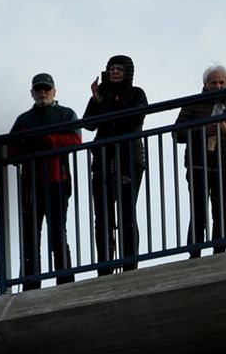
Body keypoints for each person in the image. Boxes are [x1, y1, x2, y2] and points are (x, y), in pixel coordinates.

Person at [8, 72, 82, 289]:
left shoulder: (66, 114)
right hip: (31, 184)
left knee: (57, 233)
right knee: (30, 236)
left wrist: (42, 140)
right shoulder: (24, 119)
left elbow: (75, 140)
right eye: (38, 89)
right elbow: (10, 151)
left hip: (57, 182)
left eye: (46, 89)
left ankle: (65, 283)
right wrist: (38, 142)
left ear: (54, 91)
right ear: (32, 93)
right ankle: (31, 286)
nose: (42, 93)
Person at [83, 55, 148, 275]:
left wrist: (112, 104)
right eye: (112, 69)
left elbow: (134, 119)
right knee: (102, 215)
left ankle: (130, 264)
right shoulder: (102, 95)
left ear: (128, 71)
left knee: (127, 211)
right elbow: (89, 125)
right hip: (103, 158)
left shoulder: (136, 93)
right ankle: (105, 266)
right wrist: (97, 99)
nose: (115, 72)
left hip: (129, 157)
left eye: (119, 69)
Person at [174, 64, 226, 257]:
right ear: (205, 84)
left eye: (222, 82)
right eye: (214, 82)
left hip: (225, 166)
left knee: (221, 212)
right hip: (199, 164)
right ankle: (195, 254)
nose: (218, 86)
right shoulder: (193, 104)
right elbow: (178, 133)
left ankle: (219, 253)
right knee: (198, 211)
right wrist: (202, 129)